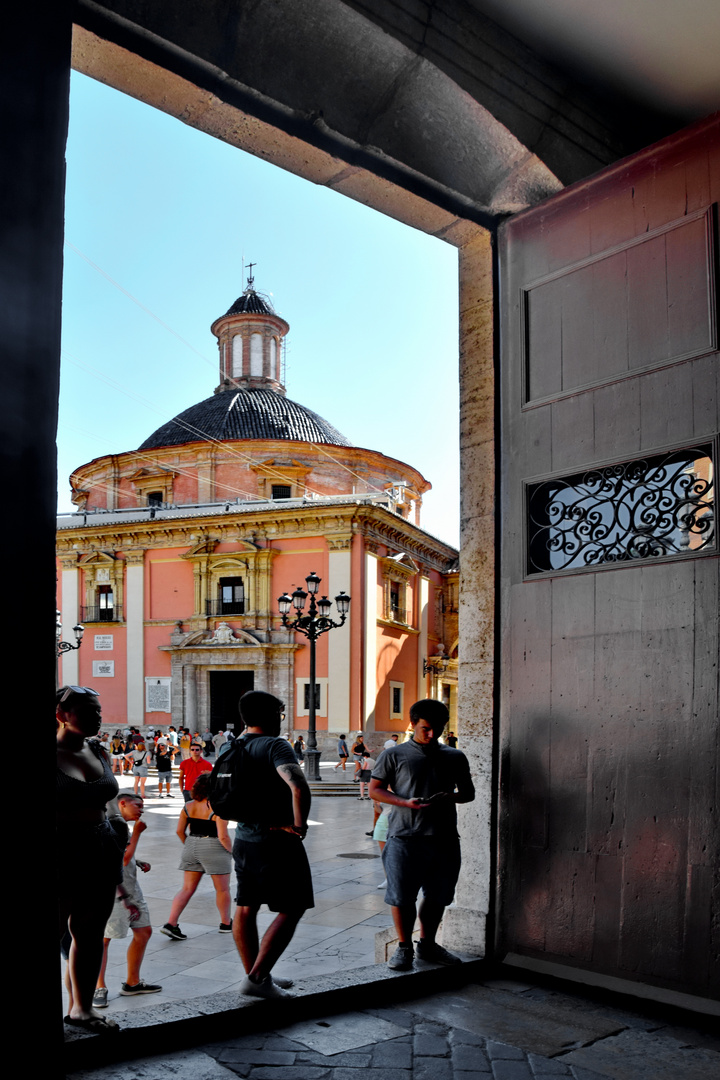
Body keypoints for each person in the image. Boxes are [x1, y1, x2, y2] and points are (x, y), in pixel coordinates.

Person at [369, 698, 475, 972]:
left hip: (443, 838)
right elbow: (375, 789)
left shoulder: (455, 756)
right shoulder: (394, 755)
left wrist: (447, 797)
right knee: (402, 895)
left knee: (438, 894)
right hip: (404, 837)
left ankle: (427, 944)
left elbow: (468, 793)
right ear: (412, 723)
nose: (432, 734)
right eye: (426, 728)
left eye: (437, 728)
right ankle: (404, 947)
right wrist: (405, 802)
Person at [231, 690, 313, 999]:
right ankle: (257, 977)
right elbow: (298, 785)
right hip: (276, 840)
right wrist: (299, 825)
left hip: (243, 838)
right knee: (294, 906)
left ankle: (257, 974)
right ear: (270, 717)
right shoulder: (276, 745)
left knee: (246, 906)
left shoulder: (233, 744)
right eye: (280, 715)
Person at [57, 685, 123, 1033]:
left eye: (98, 710)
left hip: (100, 848)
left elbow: (110, 805)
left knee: (90, 932)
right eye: (87, 711)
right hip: (59, 850)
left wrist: (120, 830)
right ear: (61, 715)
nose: (97, 716)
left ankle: (81, 1009)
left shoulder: (98, 751)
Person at [94, 793, 161, 1005]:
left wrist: (138, 861)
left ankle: (132, 982)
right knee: (103, 940)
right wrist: (138, 834)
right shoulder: (112, 824)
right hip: (114, 892)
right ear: (122, 803)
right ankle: (98, 987)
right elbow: (121, 859)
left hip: (132, 888)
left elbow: (122, 853)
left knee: (144, 931)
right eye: (137, 805)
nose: (141, 810)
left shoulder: (122, 824)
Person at [161, 773, 233, 939]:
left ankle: (171, 924)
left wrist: (190, 844)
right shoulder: (218, 807)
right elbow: (223, 836)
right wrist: (231, 852)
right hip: (213, 845)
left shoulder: (188, 805)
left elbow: (179, 831)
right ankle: (226, 924)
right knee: (222, 889)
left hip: (191, 844)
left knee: (186, 888)